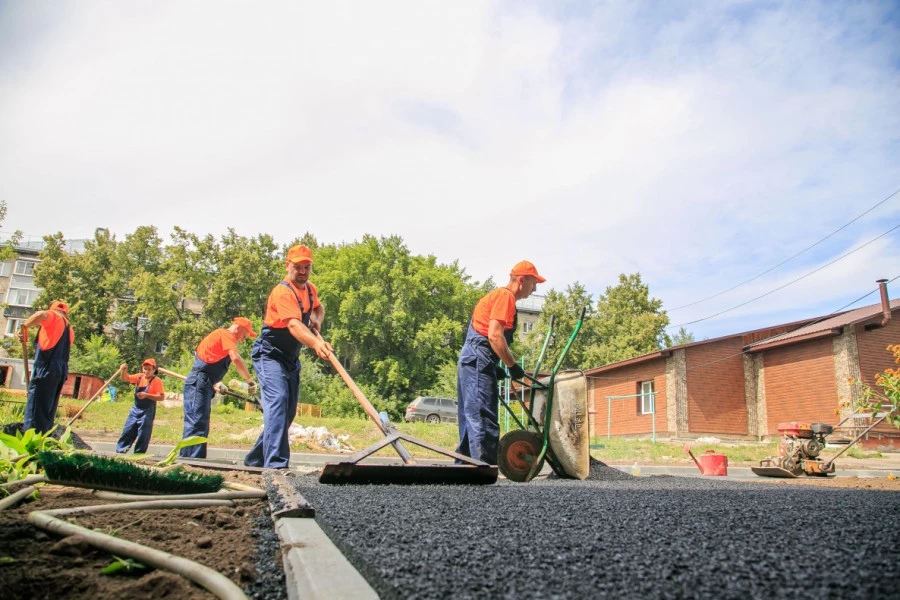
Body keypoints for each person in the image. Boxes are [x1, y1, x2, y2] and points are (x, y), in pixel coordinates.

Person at [244, 244, 332, 469]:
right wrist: (316, 344)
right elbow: (293, 325)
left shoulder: (310, 289)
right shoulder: (283, 292)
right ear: (288, 266)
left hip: (290, 358)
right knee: (278, 403)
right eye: (297, 267)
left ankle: (255, 460)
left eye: (307, 267)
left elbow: (319, 309)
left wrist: (318, 321)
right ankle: (276, 466)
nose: (302, 272)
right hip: (269, 354)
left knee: (288, 413)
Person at [456, 260, 546, 465]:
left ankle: (465, 469)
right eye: (534, 283)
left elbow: (482, 335)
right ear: (521, 280)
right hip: (478, 357)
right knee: (482, 418)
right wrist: (513, 366)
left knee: (470, 418)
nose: (535, 289)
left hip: (474, 358)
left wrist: (493, 366)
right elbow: (495, 336)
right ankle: (483, 470)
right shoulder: (505, 297)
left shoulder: (495, 296)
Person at [180, 317, 259, 459]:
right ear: (237, 328)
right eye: (244, 335)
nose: (242, 339)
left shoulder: (222, 339)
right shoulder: (225, 334)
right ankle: (188, 461)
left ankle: (196, 460)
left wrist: (217, 383)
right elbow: (235, 358)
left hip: (205, 382)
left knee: (202, 423)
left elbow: (210, 362)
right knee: (196, 422)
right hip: (198, 382)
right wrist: (250, 380)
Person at [19, 300, 74, 434]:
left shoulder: (54, 317)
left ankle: (31, 443)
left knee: (36, 409)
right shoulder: (69, 329)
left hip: (47, 367)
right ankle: (43, 439)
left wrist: (24, 327)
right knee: (47, 410)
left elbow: (42, 315)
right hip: (60, 371)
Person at [116, 358, 165, 454]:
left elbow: (161, 397)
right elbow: (125, 378)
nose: (146, 371)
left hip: (147, 411)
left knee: (143, 434)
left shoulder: (157, 381)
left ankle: (139, 454)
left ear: (154, 370)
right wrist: (123, 371)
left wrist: (147, 395)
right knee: (128, 430)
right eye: (144, 368)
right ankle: (120, 451)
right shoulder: (139, 377)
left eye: (149, 369)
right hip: (136, 409)